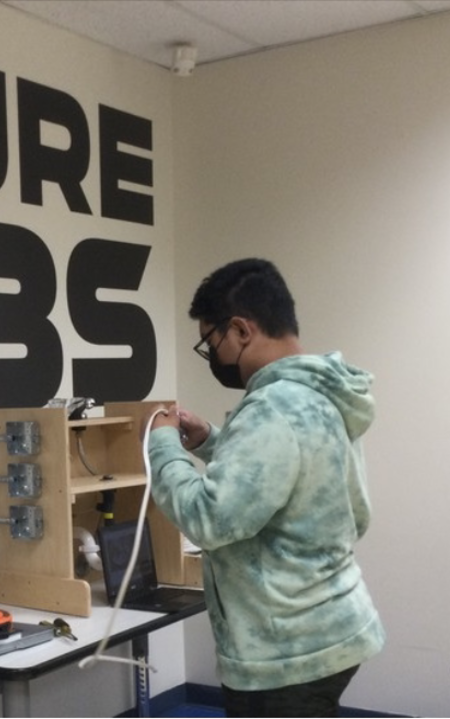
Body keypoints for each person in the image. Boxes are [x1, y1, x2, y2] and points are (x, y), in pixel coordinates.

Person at [146, 258, 384, 717]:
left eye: (210, 342)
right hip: (331, 625)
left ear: (240, 330)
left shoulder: (271, 408)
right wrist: (210, 441)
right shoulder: (319, 396)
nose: (212, 356)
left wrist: (162, 445)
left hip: (287, 654)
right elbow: (291, 478)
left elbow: (208, 519)